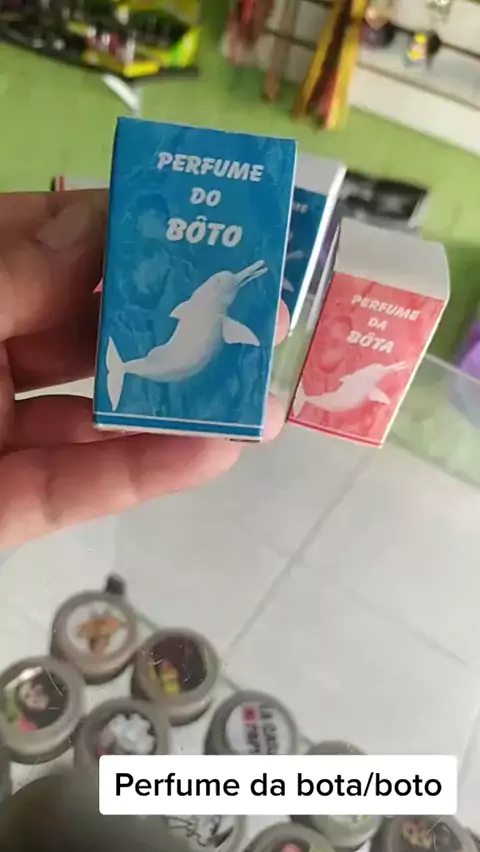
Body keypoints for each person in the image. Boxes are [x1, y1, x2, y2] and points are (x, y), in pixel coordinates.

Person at [0, 190, 288, 550]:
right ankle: (121, 371)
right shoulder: (201, 310)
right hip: (164, 363)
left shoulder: (201, 308)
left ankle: (123, 371)